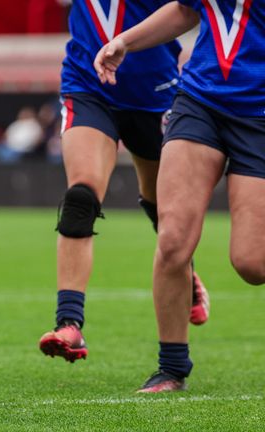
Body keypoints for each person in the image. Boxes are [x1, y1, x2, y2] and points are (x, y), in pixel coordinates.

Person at [95, 0, 263, 392]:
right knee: (172, 240)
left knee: (253, 264)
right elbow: (187, 10)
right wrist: (125, 41)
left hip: (260, 116)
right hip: (201, 101)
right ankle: (171, 368)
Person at [38, 0, 210, 364]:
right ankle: (69, 322)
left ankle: (185, 271)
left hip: (156, 93)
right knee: (81, 196)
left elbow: (188, 10)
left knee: (163, 206)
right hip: (89, 85)